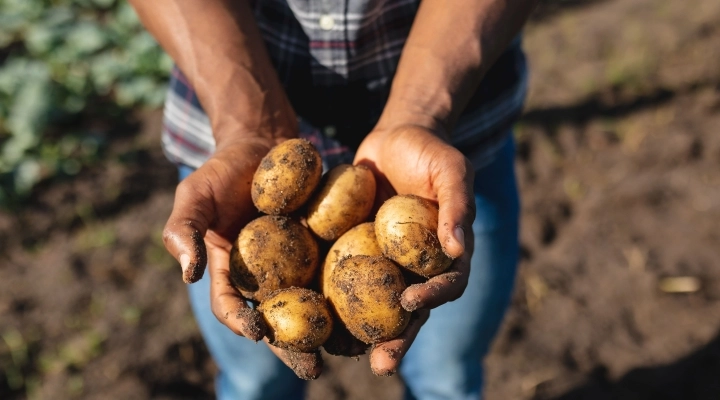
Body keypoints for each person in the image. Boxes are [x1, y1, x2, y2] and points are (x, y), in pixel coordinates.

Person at [129, 0, 536, 399]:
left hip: (445, 149)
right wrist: (248, 125)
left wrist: (420, 114)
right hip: (231, 148)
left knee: (446, 378)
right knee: (254, 383)